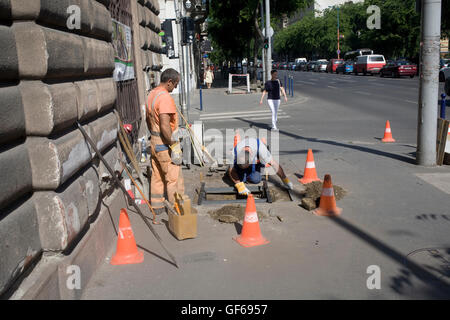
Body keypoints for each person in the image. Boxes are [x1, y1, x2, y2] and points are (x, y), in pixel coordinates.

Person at [146, 68, 185, 213]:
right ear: (169, 82)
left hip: (154, 141)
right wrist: (174, 145)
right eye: (175, 84)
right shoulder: (165, 98)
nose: (175, 87)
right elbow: (165, 125)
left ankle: (157, 207)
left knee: (157, 175)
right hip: (164, 143)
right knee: (173, 178)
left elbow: (148, 120)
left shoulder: (152, 94)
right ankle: (178, 209)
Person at [228, 137, 294, 195]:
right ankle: (242, 175)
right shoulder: (235, 153)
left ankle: (246, 175)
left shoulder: (261, 150)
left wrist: (285, 179)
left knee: (256, 179)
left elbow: (274, 164)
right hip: (243, 164)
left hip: (255, 162)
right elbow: (231, 170)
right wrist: (239, 185)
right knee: (240, 179)